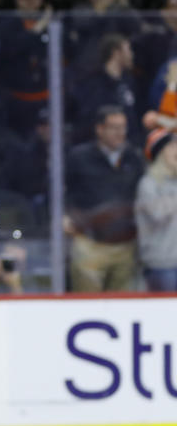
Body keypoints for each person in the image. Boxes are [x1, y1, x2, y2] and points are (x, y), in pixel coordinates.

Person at [64, 105, 144, 292]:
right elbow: (61, 190)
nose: (120, 133)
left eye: (123, 127)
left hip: (126, 244)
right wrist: (64, 216)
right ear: (99, 129)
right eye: (114, 127)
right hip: (89, 242)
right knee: (87, 305)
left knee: (123, 308)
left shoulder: (134, 158)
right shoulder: (79, 157)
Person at [135, 129, 177, 291]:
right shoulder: (149, 184)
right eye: (172, 147)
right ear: (160, 153)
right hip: (161, 264)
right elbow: (158, 214)